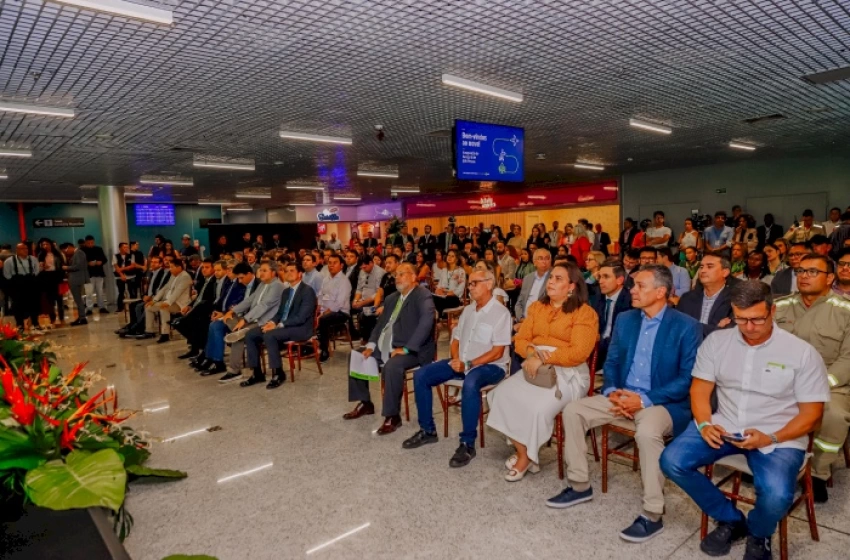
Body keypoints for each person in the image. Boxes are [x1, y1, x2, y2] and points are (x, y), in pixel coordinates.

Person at [661, 281, 829, 560]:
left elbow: (813, 415)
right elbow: (700, 391)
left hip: (779, 435)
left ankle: (759, 533)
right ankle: (730, 519)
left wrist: (771, 438)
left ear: (773, 311)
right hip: (724, 425)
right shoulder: (718, 342)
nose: (749, 327)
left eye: (756, 319)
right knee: (672, 461)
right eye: (741, 319)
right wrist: (704, 424)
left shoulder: (801, 353)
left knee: (776, 495)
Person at [547, 265, 701, 544]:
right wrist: (613, 391)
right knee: (573, 410)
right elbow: (614, 361)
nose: (632, 290)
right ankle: (580, 484)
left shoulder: (686, 326)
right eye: (633, 285)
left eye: (640, 286)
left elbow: (687, 378)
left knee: (647, 432)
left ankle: (653, 513)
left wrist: (642, 399)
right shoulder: (627, 320)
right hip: (622, 396)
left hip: (662, 402)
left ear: (661, 291)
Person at [486, 262, 598, 479]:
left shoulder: (585, 313)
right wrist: (531, 354)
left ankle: (526, 458)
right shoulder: (537, 307)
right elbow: (521, 339)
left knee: (536, 408)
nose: (551, 282)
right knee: (499, 395)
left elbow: (578, 352)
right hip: (534, 364)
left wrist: (545, 357)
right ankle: (525, 452)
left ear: (572, 286)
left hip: (568, 371)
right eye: (550, 278)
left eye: (558, 279)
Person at [404, 268, 512, 466]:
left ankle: (467, 444)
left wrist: (468, 364)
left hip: (491, 366)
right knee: (422, 375)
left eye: (474, 283)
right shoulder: (469, 310)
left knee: (471, 382)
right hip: (463, 362)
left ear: (489, 284)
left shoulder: (501, 314)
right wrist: (456, 360)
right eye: (469, 283)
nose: (470, 288)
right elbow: (455, 339)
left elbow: (497, 352)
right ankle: (427, 430)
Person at [774, 254, 850, 503]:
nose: (804, 276)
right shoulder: (780, 305)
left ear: (830, 278)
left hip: (829, 381)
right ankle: (768, 459)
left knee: (833, 415)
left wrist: (820, 384)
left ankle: (817, 472)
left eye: (812, 272)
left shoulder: (845, 310)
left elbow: (848, 358)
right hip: (781, 376)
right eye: (801, 271)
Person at [344, 263, 436, 435]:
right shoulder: (392, 298)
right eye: (396, 274)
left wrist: (408, 349)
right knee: (355, 354)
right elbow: (380, 325)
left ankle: (393, 416)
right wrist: (371, 345)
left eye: (402, 274)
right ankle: (366, 403)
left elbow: (426, 324)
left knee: (392, 366)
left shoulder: (422, 296)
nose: (397, 277)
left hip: (414, 349)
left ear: (414, 277)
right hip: (386, 346)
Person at [241, 261, 318, 389]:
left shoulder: (307, 291)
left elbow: (301, 317)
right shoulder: (286, 292)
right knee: (251, 334)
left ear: (300, 274)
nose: (288, 273)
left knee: (270, 336)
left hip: (302, 328)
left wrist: (280, 324)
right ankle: (257, 373)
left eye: (292, 270)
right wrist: (272, 322)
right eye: (286, 271)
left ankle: (278, 373)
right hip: (285, 326)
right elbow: (280, 313)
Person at [216, 262, 285, 383]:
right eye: (260, 270)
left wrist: (245, 319)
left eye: (264, 270)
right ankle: (239, 332)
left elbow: (265, 305)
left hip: (265, 322)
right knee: (231, 322)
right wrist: (232, 311)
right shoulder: (262, 284)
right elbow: (249, 300)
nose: (261, 273)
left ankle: (234, 370)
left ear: (273, 273)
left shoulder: (277, 286)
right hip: (253, 319)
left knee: (238, 336)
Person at [196, 262, 254, 375]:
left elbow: (243, 302)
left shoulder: (251, 284)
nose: (229, 271)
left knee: (234, 330)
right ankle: (214, 359)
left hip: (246, 317)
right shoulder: (230, 282)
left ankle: (229, 366)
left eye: (231, 268)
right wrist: (221, 312)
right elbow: (223, 300)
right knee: (214, 325)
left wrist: (226, 313)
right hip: (234, 314)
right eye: (228, 269)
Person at [677, 254, 737, 337]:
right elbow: (677, 327)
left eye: (709, 267)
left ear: (725, 272)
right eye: (701, 267)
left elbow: (728, 333)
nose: (702, 271)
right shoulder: (687, 298)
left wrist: (691, 326)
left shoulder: (735, 299)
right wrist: (716, 328)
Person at [172, 258, 219, 359]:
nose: (204, 270)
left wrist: (194, 309)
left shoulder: (215, 282)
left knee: (186, 322)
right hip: (197, 308)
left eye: (207, 267)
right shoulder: (204, 281)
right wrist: (189, 306)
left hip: (205, 311)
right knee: (175, 320)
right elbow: (199, 297)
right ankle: (196, 348)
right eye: (203, 268)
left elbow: (210, 301)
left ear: (213, 269)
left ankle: (201, 348)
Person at [139, 259, 192, 343]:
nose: (170, 269)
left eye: (172, 267)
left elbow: (177, 292)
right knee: (149, 307)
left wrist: (166, 303)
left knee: (164, 308)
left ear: (179, 267)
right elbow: (165, 288)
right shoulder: (173, 275)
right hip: (169, 301)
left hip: (180, 304)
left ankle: (165, 334)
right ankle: (149, 331)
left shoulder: (185, 277)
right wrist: (155, 300)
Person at [592, 261, 632, 366]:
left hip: (618, 349)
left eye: (606, 277)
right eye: (600, 277)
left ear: (619, 280)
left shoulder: (630, 300)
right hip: (597, 345)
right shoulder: (598, 297)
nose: (601, 281)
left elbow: (623, 336)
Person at [315, 254, 352, 362]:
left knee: (323, 320)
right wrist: (320, 308)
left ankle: (324, 350)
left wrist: (325, 312)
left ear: (341, 265)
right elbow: (321, 295)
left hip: (341, 312)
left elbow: (339, 303)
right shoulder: (326, 279)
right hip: (325, 310)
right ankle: (309, 346)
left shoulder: (344, 281)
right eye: (329, 263)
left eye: (334, 263)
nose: (331, 265)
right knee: (310, 315)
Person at [3, 243, 41, 332]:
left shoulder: (33, 259)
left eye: (26, 248)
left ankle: (35, 323)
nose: (25, 250)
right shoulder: (9, 261)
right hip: (17, 285)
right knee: (18, 305)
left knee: (34, 304)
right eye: (22, 249)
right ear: (17, 250)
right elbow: (7, 274)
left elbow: (37, 271)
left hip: (31, 284)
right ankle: (20, 324)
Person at [514, 248, 552, 323]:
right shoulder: (528, 278)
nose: (544, 261)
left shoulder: (554, 278)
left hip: (541, 322)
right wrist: (521, 319)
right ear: (534, 262)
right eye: (540, 258)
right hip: (524, 321)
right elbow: (519, 303)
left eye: (547, 258)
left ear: (550, 261)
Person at [37, 238, 65, 327]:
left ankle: (62, 318)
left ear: (51, 244)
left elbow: (62, 265)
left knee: (59, 299)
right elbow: (38, 268)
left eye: (47, 244)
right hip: (46, 278)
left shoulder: (57, 254)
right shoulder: (40, 255)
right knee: (49, 300)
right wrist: (42, 267)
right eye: (43, 244)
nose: (45, 246)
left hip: (56, 277)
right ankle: (52, 318)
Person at [60, 242, 90, 326]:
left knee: (78, 299)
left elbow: (78, 266)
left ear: (70, 247)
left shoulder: (79, 253)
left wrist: (66, 268)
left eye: (65, 250)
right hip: (75, 278)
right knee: (78, 300)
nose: (66, 253)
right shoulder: (76, 254)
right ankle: (81, 317)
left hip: (77, 279)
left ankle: (82, 317)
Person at [433, 249, 466, 316]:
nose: (449, 257)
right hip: (442, 296)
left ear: (456, 259)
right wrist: (438, 290)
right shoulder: (444, 270)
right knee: (431, 297)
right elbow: (439, 285)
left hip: (454, 298)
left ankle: (439, 318)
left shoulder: (461, 271)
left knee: (439, 301)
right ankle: (438, 318)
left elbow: (460, 289)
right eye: (448, 255)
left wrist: (448, 293)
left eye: (452, 256)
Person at [83, 235, 109, 314]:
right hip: (88, 274)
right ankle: (89, 308)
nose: (90, 244)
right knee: (89, 292)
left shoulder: (98, 249)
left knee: (100, 291)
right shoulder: (82, 250)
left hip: (99, 272)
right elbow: (80, 262)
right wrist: (88, 263)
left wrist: (100, 262)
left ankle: (101, 307)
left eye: (92, 243)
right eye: (89, 243)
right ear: (86, 243)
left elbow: (104, 259)